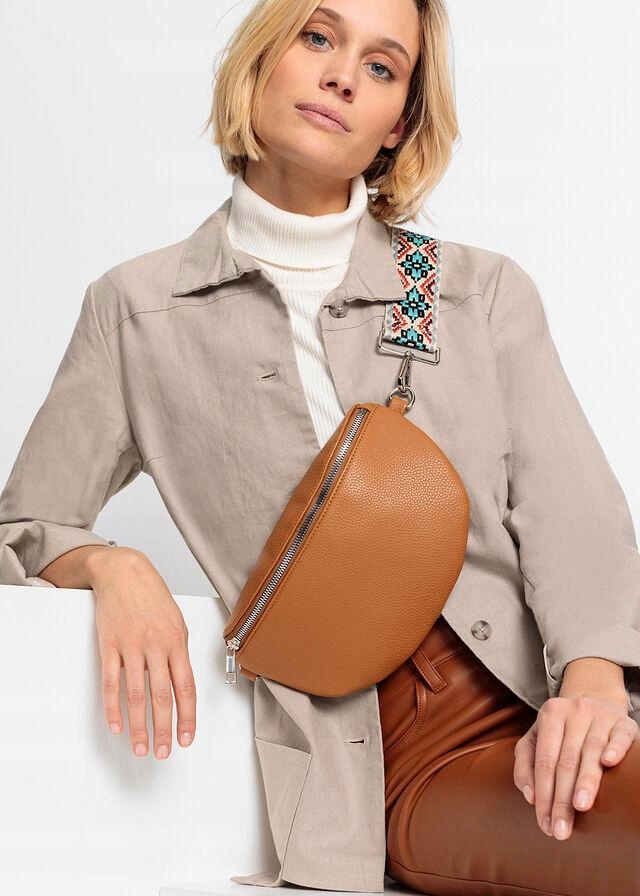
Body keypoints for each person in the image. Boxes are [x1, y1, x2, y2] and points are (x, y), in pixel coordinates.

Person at [1, 0, 639, 893]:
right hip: (401, 759)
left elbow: (572, 510)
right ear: (263, 57)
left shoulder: (470, 291)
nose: (343, 76)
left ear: (396, 126)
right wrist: (112, 565)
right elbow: (25, 524)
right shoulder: (138, 311)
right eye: (318, 37)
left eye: (382, 67)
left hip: (560, 705)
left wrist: (595, 684)